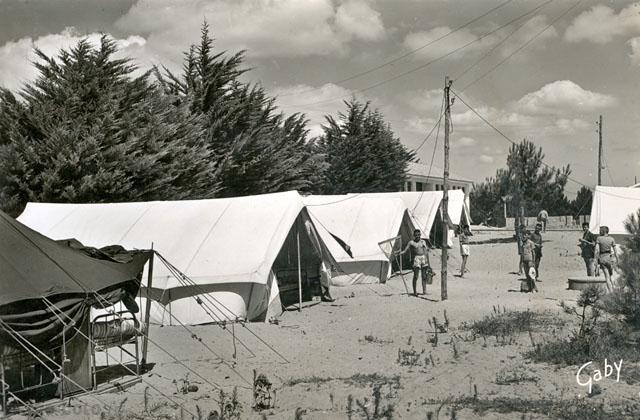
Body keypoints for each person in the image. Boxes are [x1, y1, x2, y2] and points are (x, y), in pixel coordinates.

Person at [398, 229, 432, 296]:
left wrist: (428, 263)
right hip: (417, 259)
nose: (418, 236)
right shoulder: (411, 242)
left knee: (424, 276)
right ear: (414, 235)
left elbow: (426, 252)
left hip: (423, 258)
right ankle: (415, 292)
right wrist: (399, 253)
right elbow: (405, 250)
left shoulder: (423, 242)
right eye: (416, 235)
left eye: (419, 235)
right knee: (416, 276)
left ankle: (424, 291)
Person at [595, 226, 618, 292]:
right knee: (611, 275)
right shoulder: (611, 239)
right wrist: (617, 260)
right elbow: (615, 251)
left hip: (602, 258)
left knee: (607, 277)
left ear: (602, 231)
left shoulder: (599, 238)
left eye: (600, 230)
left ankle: (611, 292)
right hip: (610, 258)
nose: (599, 232)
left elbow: (597, 250)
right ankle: (615, 289)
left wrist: (595, 260)